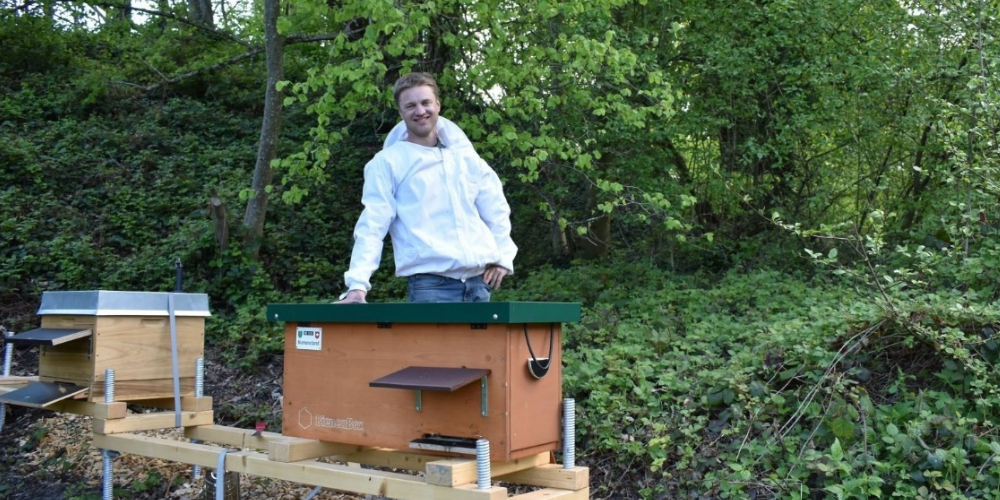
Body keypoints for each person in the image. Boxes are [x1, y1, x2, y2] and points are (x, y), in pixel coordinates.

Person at [337, 72, 517, 303]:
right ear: (401, 112)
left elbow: (496, 209)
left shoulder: (465, 157)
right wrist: (357, 285)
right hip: (430, 287)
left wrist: (503, 257)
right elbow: (373, 224)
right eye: (410, 106)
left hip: (479, 285)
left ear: (437, 104)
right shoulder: (387, 163)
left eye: (425, 102)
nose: (420, 111)